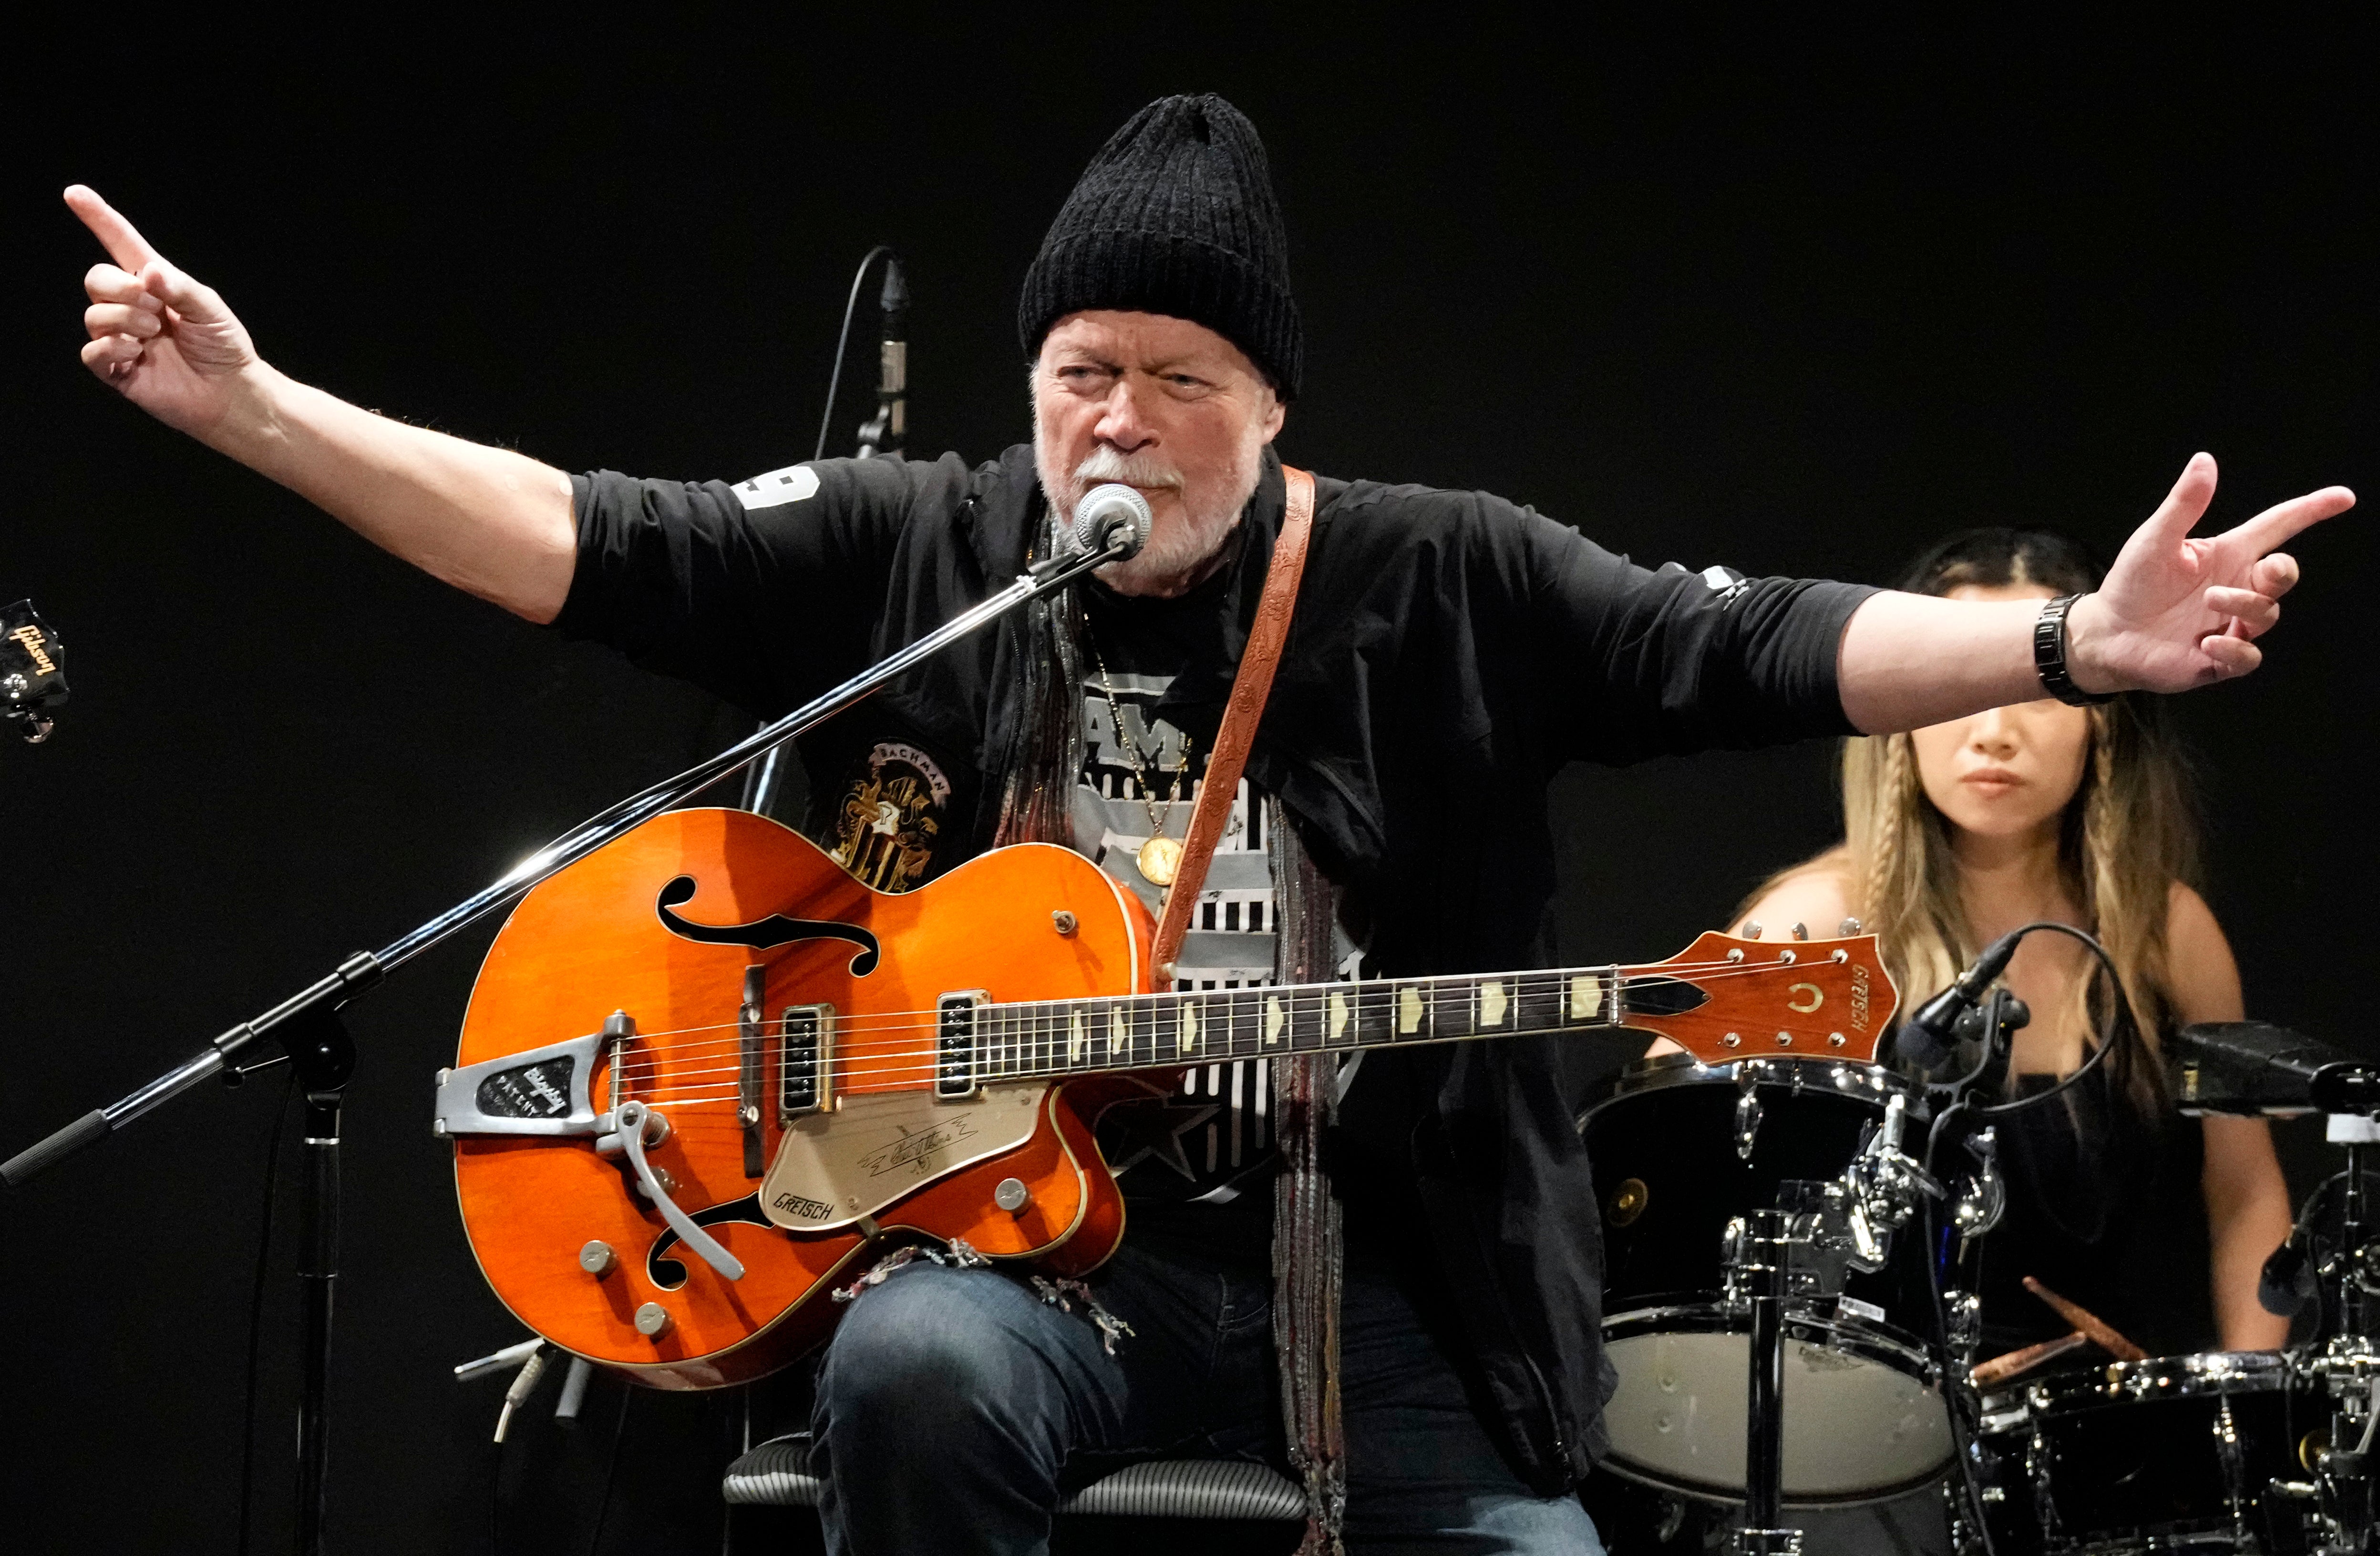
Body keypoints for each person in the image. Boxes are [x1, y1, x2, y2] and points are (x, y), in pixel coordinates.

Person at [65, 94, 2346, 1556]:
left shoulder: (1441, 569)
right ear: (1029, 389)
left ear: (1266, 405)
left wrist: (2063, 653)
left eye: (1178, 376)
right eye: (1084, 371)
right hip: (1022, 1250)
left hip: (1378, 1275)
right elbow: (581, 531)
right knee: (909, 1374)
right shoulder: (929, 541)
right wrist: (254, 409)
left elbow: (1749, 639)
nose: (1122, 418)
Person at [1729, 526, 2293, 1360]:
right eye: (1960, 688)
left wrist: (2243, 1405)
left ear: (2101, 721)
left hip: (2103, 1446)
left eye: (2038, 689)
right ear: (1899, 716)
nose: (1993, 732)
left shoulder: (2166, 932)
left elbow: (2245, 1194)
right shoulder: (1806, 928)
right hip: (1864, 1452)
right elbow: (1688, 1195)